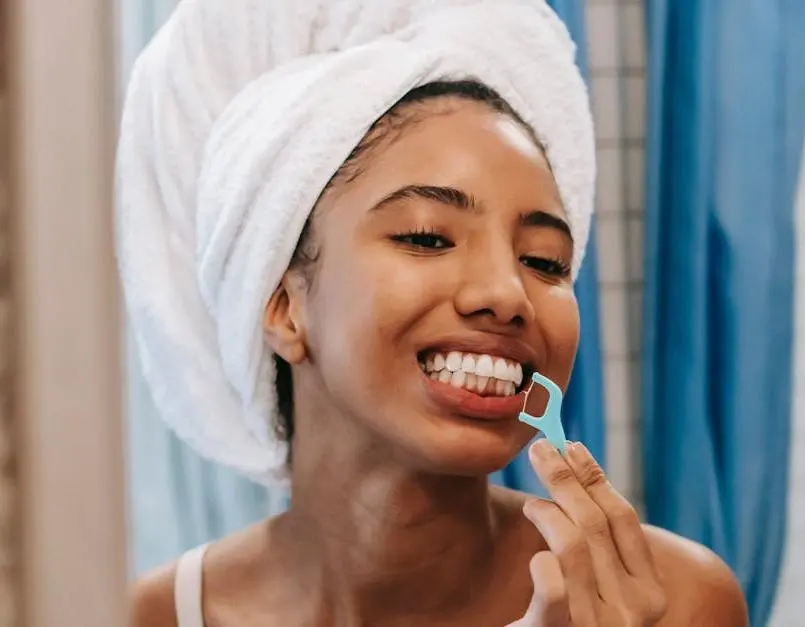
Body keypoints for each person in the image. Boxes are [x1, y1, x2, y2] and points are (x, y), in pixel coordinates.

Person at [119, 3, 748, 626]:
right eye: (426, 237)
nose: (508, 294)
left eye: (546, 260)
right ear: (284, 307)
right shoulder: (152, 616)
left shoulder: (676, 603)